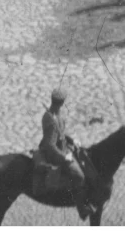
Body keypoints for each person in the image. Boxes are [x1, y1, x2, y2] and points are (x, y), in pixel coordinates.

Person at [36, 88, 90, 221]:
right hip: (54, 154)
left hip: (62, 148)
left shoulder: (56, 115)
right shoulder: (50, 120)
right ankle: (82, 209)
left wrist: (72, 140)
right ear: (60, 103)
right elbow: (50, 145)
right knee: (79, 176)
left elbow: (61, 133)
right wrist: (64, 157)